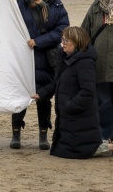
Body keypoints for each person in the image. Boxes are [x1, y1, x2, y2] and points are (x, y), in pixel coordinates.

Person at [6, 0, 69, 150]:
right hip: (23, 56)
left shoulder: (56, 4)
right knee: (20, 95)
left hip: (48, 57)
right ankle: (16, 133)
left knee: (44, 97)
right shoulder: (19, 2)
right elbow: (3, 8)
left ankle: (43, 135)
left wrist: (39, 41)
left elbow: (62, 29)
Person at [47, 26, 113, 158]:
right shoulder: (66, 60)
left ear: (77, 42)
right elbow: (58, 83)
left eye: (66, 41)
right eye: (62, 40)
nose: (63, 44)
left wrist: (69, 106)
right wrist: (41, 93)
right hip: (70, 121)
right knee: (65, 151)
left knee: (86, 149)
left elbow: (87, 92)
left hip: (79, 119)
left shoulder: (85, 63)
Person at [81, 0, 113, 142]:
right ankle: (104, 138)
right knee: (104, 103)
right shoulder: (95, 6)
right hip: (99, 64)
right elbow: (84, 32)